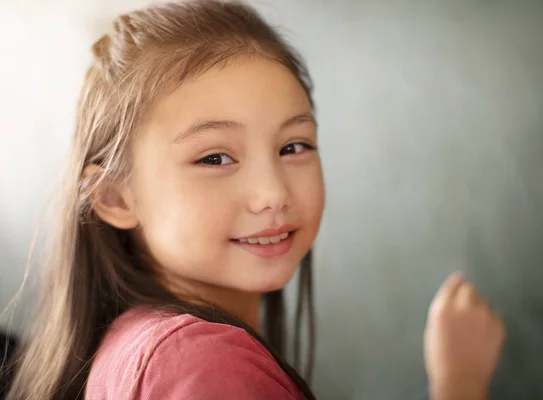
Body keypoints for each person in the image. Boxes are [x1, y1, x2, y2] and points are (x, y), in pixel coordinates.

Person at [6, 1, 505, 399]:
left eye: (293, 147)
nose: (273, 194)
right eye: (215, 158)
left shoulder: (140, 346)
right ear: (115, 197)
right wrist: (459, 386)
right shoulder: (197, 362)